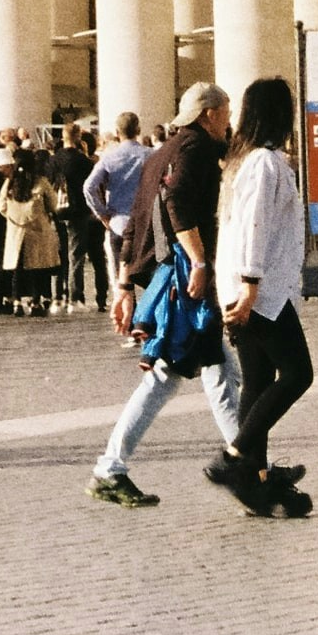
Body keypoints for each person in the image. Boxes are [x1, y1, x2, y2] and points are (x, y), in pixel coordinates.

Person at [88, 82, 244, 510]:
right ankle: (111, 468)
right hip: (184, 282)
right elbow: (175, 202)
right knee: (179, 375)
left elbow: (135, 223)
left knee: (214, 376)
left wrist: (123, 285)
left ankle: (247, 461)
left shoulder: (161, 153)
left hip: (166, 278)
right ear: (209, 114)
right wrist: (198, 260)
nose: (229, 122)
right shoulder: (193, 149)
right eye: (226, 114)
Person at [214, 76, 314, 519]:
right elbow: (255, 224)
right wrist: (251, 283)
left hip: (246, 286)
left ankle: (254, 479)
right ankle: (236, 457)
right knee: (297, 373)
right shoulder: (265, 162)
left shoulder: (243, 160)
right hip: (259, 289)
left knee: (257, 380)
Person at [84, 114, 150, 294]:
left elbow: (89, 186)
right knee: (150, 277)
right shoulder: (150, 155)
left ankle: (127, 314)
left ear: (117, 132)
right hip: (145, 223)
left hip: (118, 221)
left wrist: (102, 213)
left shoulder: (108, 157)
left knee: (122, 278)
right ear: (138, 130)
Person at [0, 151, 62, 315]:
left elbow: (1, 207)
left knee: (18, 268)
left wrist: (14, 217)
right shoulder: (41, 182)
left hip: (16, 231)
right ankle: (36, 302)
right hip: (38, 230)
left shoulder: (10, 184)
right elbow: (53, 204)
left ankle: (17, 302)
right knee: (37, 268)